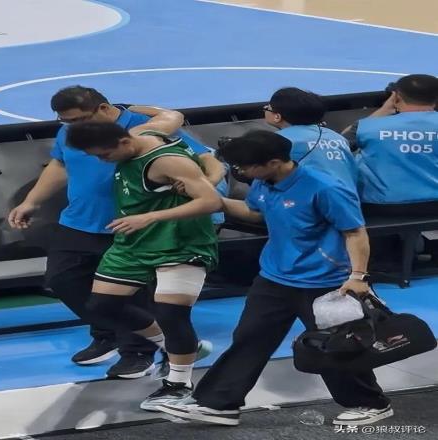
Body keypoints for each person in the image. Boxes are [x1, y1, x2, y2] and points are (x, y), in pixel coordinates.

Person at [157, 131, 392, 426]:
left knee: (334, 346)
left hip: (324, 282)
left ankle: (370, 403)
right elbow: (256, 211)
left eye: (245, 167)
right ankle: (218, 404)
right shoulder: (264, 181)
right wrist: (216, 201)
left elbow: (355, 232)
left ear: (273, 162)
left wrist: (358, 276)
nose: (240, 172)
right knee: (249, 339)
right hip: (275, 277)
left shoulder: (326, 188)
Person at [8, 86, 224, 379]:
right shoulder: (73, 131)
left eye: (79, 119)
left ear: (103, 109)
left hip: (132, 226)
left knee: (129, 295)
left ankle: (139, 352)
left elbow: (205, 158)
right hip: (79, 221)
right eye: (66, 121)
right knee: (63, 280)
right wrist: (32, 201)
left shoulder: (144, 129)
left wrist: (204, 184)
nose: (73, 126)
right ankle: (109, 333)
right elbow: (61, 164)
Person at [65, 121, 222, 410]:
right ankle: (179, 347)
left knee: (172, 314)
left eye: (105, 155)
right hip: (134, 243)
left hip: (180, 243)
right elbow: (171, 115)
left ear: (123, 143)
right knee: (102, 306)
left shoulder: (167, 162)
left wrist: (151, 217)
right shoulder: (140, 133)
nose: (103, 161)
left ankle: (179, 385)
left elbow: (211, 201)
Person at [342, 74, 438, 216]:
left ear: (396, 97)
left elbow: (336, 145)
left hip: (379, 207)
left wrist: (382, 111)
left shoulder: (366, 127)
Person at [265, 87, 357, 192]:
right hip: (348, 196)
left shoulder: (276, 141)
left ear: (277, 117)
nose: (265, 108)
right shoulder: (337, 137)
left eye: (268, 107)